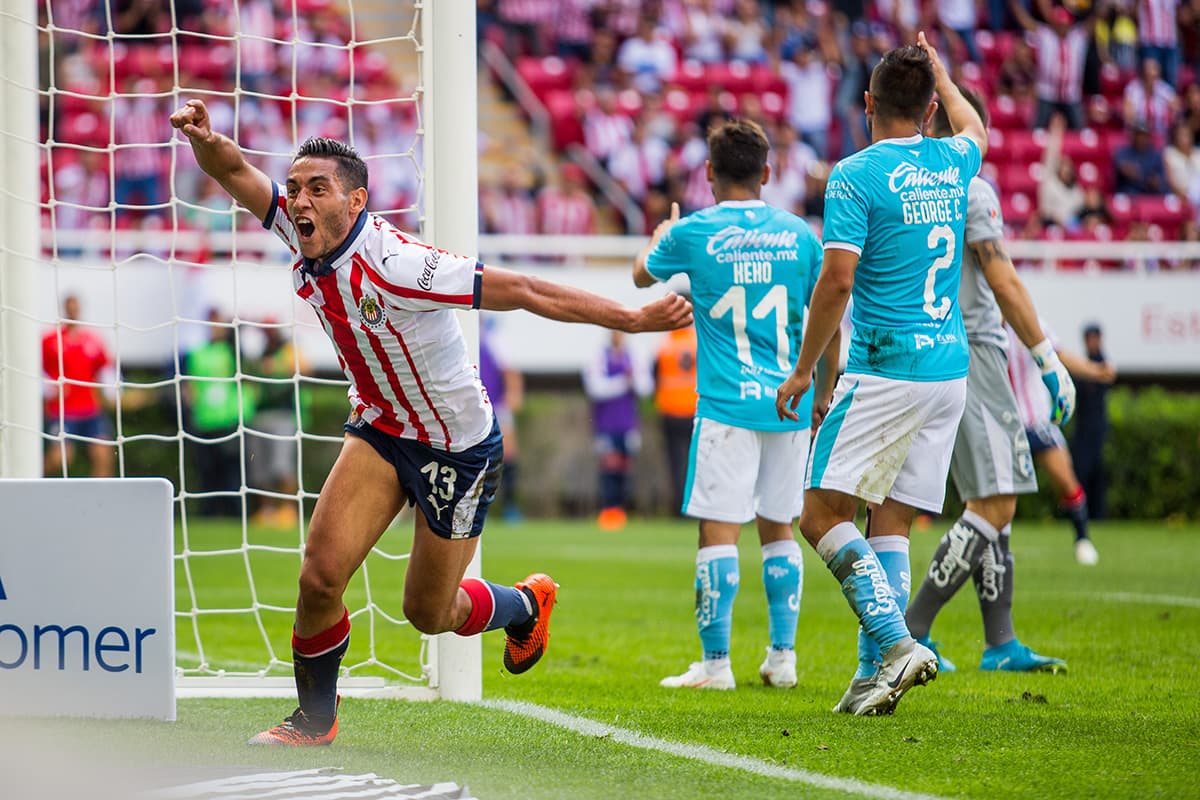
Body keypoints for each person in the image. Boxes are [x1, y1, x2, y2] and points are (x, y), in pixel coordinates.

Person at [170, 98, 692, 745]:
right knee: (319, 576)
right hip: (383, 431)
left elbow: (526, 289)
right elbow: (238, 174)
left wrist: (633, 320)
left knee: (428, 611)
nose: (298, 200)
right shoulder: (299, 227)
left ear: (356, 201)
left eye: (317, 189)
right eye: (296, 188)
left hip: (457, 448)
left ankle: (527, 602)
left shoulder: (400, 265)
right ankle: (314, 720)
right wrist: (204, 139)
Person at [775, 34, 988, 716]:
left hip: (887, 366)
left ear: (866, 103)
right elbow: (976, 125)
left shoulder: (856, 174)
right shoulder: (956, 159)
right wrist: (943, 76)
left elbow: (837, 280)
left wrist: (806, 370)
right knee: (887, 520)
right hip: (947, 370)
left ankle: (898, 644)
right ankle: (873, 678)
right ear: (930, 110)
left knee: (817, 512)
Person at [635, 118, 838, 691]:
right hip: (788, 403)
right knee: (780, 529)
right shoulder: (800, 234)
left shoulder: (693, 232)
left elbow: (639, 277)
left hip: (726, 406)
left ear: (708, 173)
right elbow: (829, 318)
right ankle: (782, 658)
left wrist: (660, 234)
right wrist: (820, 391)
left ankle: (716, 664)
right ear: (768, 172)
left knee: (718, 532)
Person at [905, 88, 1079, 678]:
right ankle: (911, 630)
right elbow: (1001, 278)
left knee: (991, 497)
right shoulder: (970, 187)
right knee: (995, 502)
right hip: (974, 350)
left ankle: (999, 641)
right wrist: (1046, 357)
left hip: (926, 351)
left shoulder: (901, 183)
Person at [1006, 320, 1116, 565]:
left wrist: (1095, 371)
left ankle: (1083, 540)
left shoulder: (1027, 320)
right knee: (997, 494)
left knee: (1066, 481)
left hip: (1036, 422)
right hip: (1003, 426)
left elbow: (1058, 355)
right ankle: (992, 547)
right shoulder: (983, 322)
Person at [582, 330, 654, 530]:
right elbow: (595, 388)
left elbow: (645, 387)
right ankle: (609, 509)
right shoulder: (598, 355)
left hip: (628, 422)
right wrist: (624, 382)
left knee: (625, 467)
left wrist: (632, 381)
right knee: (609, 466)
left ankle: (622, 511)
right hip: (605, 423)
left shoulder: (635, 355)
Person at [185, 309, 251, 519]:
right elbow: (189, 385)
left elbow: (246, 376)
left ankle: (236, 513)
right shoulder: (197, 353)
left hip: (229, 419)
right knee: (207, 469)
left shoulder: (233, 351)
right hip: (204, 420)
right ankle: (209, 513)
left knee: (232, 469)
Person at [42, 294, 115, 478]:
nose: (73, 311)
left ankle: (99, 500)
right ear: (64, 309)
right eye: (69, 307)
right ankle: (31, 479)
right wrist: (49, 390)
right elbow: (38, 371)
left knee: (103, 455)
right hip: (62, 411)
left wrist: (112, 394)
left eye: (76, 307)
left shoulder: (92, 340)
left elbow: (105, 370)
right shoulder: (49, 340)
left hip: (91, 410)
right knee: (61, 459)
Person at [245, 322, 309, 528]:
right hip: (259, 414)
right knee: (260, 467)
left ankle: (289, 510)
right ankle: (266, 510)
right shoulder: (261, 352)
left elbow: (305, 369)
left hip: (283, 415)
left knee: (282, 466)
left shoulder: (289, 349)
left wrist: (277, 366)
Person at [478, 315, 524, 523]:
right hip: (469, 408)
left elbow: (510, 370)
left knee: (507, 454)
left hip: (496, 405)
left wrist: (512, 397)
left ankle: (509, 506)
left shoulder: (494, 335)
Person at [652, 322, 698, 518]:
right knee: (696, 460)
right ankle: (697, 505)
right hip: (695, 409)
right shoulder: (697, 342)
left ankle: (681, 507)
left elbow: (654, 376)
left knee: (676, 461)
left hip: (670, 411)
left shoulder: (665, 344)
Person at [1071, 323, 1113, 520]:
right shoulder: (1085, 363)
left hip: (1096, 427)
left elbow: (1107, 377)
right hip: (1082, 426)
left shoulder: (1103, 363)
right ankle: (1078, 513)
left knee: (1096, 471)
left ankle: (1097, 514)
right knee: (1080, 470)